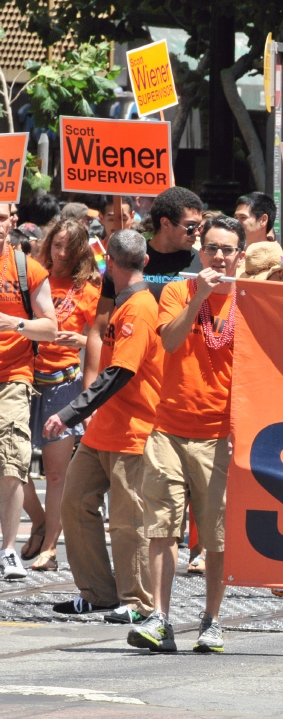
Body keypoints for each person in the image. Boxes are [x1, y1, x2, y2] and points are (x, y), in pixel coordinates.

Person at [125, 216, 244, 654]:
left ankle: (212, 620)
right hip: (167, 430)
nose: (217, 256)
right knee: (161, 527)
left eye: (227, 249)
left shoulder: (250, 303)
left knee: (216, 535)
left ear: (239, 256)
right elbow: (171, 342)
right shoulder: (178, 290)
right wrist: (200, 298)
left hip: (220, 436)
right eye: (211, 247)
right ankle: (161, 618)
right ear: (201, 251)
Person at [46, 230, 163, 622]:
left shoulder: (142, 308)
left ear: (109, 262)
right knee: (75, 502)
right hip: (104, 429)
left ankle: (139, 603)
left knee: (129, 522)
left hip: (133, 432)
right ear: (144, 261)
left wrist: (68, 413)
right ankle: (98, 592)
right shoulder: (120, 301)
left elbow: (120, 373)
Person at [21, 218, 101, 572]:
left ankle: (50, 547)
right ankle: (38, 521)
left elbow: (104, 341)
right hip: (22, 376)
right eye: (57, 244)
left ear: (82, 249)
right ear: (48, 243)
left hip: (64, 382)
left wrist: (82, 341)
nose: (63, 252)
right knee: (12, 465)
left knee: (56, 475)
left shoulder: (90, 289)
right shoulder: (32, 277)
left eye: (70, 246)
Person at [85, 187, 203, 392]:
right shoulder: (128, 258)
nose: (198, 233)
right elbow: (100, 329)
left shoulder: (202, 265)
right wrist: (89, 390)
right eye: (191, 227)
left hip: (179, 383)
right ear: (165, 223)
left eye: (200, 226)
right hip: (128, 378)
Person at [0, 200, 57, 580]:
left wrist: (14, 323)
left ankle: (7, 550)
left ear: (12, 221)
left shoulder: (26, 270)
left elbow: (50, 329)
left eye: (1, 217)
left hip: (14, 377)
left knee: (13, 461)